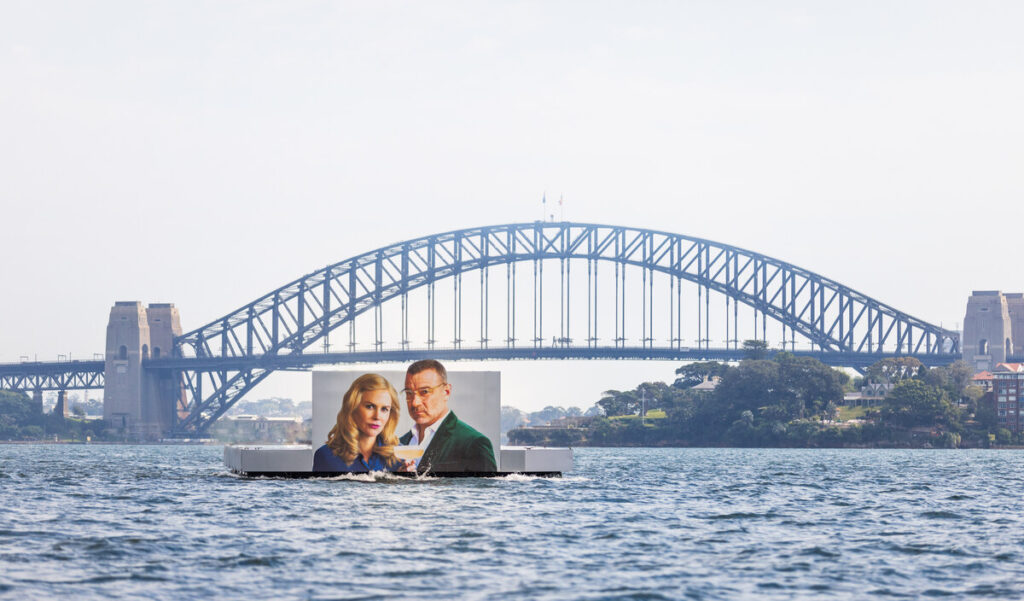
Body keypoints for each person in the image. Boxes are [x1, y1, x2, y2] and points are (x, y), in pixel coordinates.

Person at [398, 359, 497, 473]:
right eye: (409, 393)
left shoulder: (474, 444)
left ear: (446, 392)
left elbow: (486, 491)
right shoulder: (401, 443)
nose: (415, 402)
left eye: (424, 392)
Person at [313, 373, 409, 472]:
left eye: (384, 409)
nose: (377, 417)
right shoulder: (325, 456)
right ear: (353, 408)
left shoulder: (401, 457)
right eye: (370, 406)